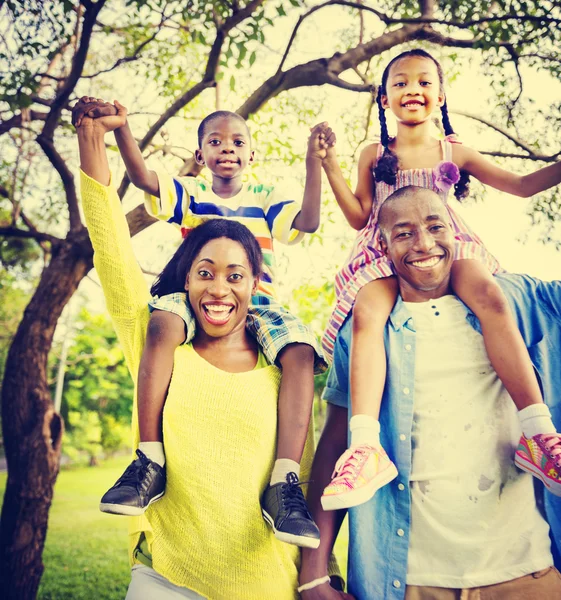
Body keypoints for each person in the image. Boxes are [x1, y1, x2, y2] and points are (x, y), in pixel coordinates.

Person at [74, 104, 343, 599]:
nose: (220, 287)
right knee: (159, 320)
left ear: (255, 279)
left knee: (303, 350)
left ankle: (283, 488)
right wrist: (96, 136)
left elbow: (307, 218)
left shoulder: (281, 370)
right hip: (167, 579)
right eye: (206, 272)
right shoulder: (165, 334)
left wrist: (315, 161)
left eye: (235, 275)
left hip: (268, 583)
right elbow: (112, 233)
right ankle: (146, 461)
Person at [319, 49, 561, 511]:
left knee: (490, 294)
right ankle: (366, 446)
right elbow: (358, 217)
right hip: (384, 246)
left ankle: (539, 433)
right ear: (384, 99)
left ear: (441, 95)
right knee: (368, 313)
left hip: (446, 242)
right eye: (401, 83)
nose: (414, 89)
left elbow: (522, 186)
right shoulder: (374, 153)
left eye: (425, 82)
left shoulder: (456, 151)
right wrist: (330, 166)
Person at [299, 185, 561, 600]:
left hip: (527, 573)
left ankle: (540, 436)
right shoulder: (366, 329)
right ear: (382, 248)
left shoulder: (519, 304)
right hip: (411, 580)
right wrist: (312, 574)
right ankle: (369, 451)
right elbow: (333, 441)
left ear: (454, 231)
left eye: (435, 226)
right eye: (403, 234)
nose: (423, 243)